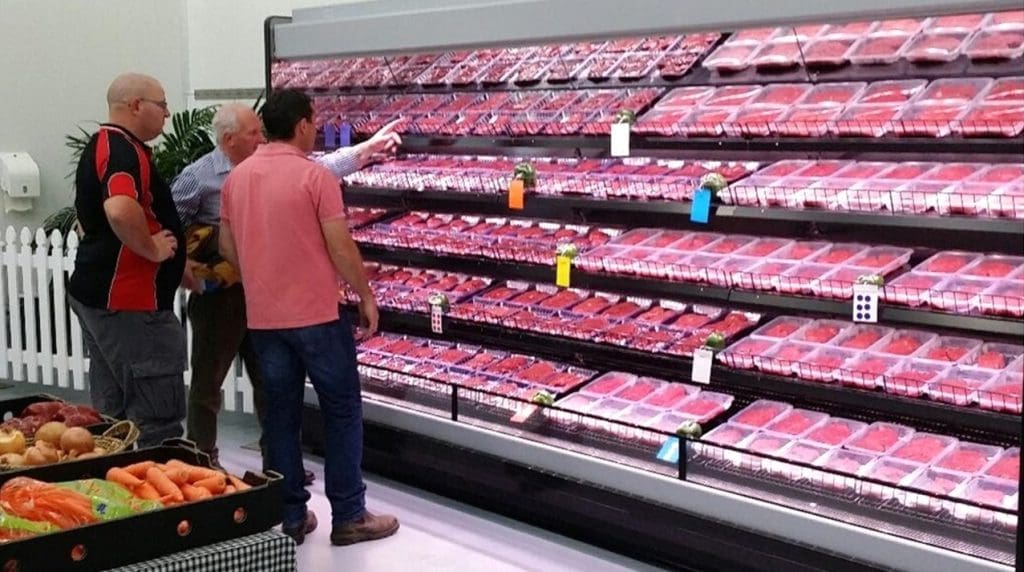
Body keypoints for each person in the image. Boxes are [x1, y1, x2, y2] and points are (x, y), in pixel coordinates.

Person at [172, 103, 400, 481]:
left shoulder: (263, 169)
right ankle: (201, 464)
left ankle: (278, 469)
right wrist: (182, 268)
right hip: (222, 297)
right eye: (252, 134)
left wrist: (367, 149)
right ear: (229, 140)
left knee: (271, 387)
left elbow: (322, 167)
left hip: (262, 294)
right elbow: (169, 219)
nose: (261, 139)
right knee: (208, 383)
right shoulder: (200, 177)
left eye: (262, 132)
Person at [220, 89, 398, 546]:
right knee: (341, 410)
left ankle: (292, 514)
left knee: (280, 416)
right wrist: (365, 294)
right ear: (301, 124)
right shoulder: (314, 177)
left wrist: (261, 274)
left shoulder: (236, 180)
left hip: (265, 320)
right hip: (317, 316)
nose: (315, 127)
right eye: (313, 121)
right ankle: (349, 514)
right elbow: (340, 245)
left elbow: (226, 248)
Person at [69, 72, 198, 448]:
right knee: (155, 418)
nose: (168, 113)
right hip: (129, 303)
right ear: (136, 105)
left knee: (114, 414)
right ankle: (158, 495)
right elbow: (121, 210)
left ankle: (116, 485)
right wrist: (153, 250)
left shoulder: (106, 145)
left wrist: (174, 264)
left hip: (105, 297)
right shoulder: (122, 149)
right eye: (162, 104)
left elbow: (90, 216)